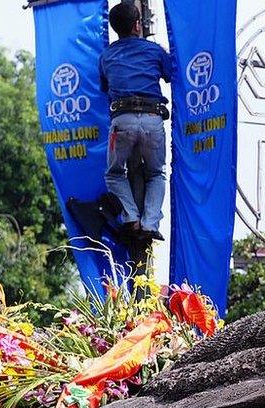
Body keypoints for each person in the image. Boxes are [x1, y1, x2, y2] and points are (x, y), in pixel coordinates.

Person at [99, 2, 171, 242]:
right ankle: (150, 224)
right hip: (152, 119)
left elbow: (105, 86)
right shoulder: (153, 50)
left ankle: (131, 217)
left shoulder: (107, 55)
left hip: (122, 121)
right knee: (155, 173)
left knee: (115, 174)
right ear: (138, 24)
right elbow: (171, 74)